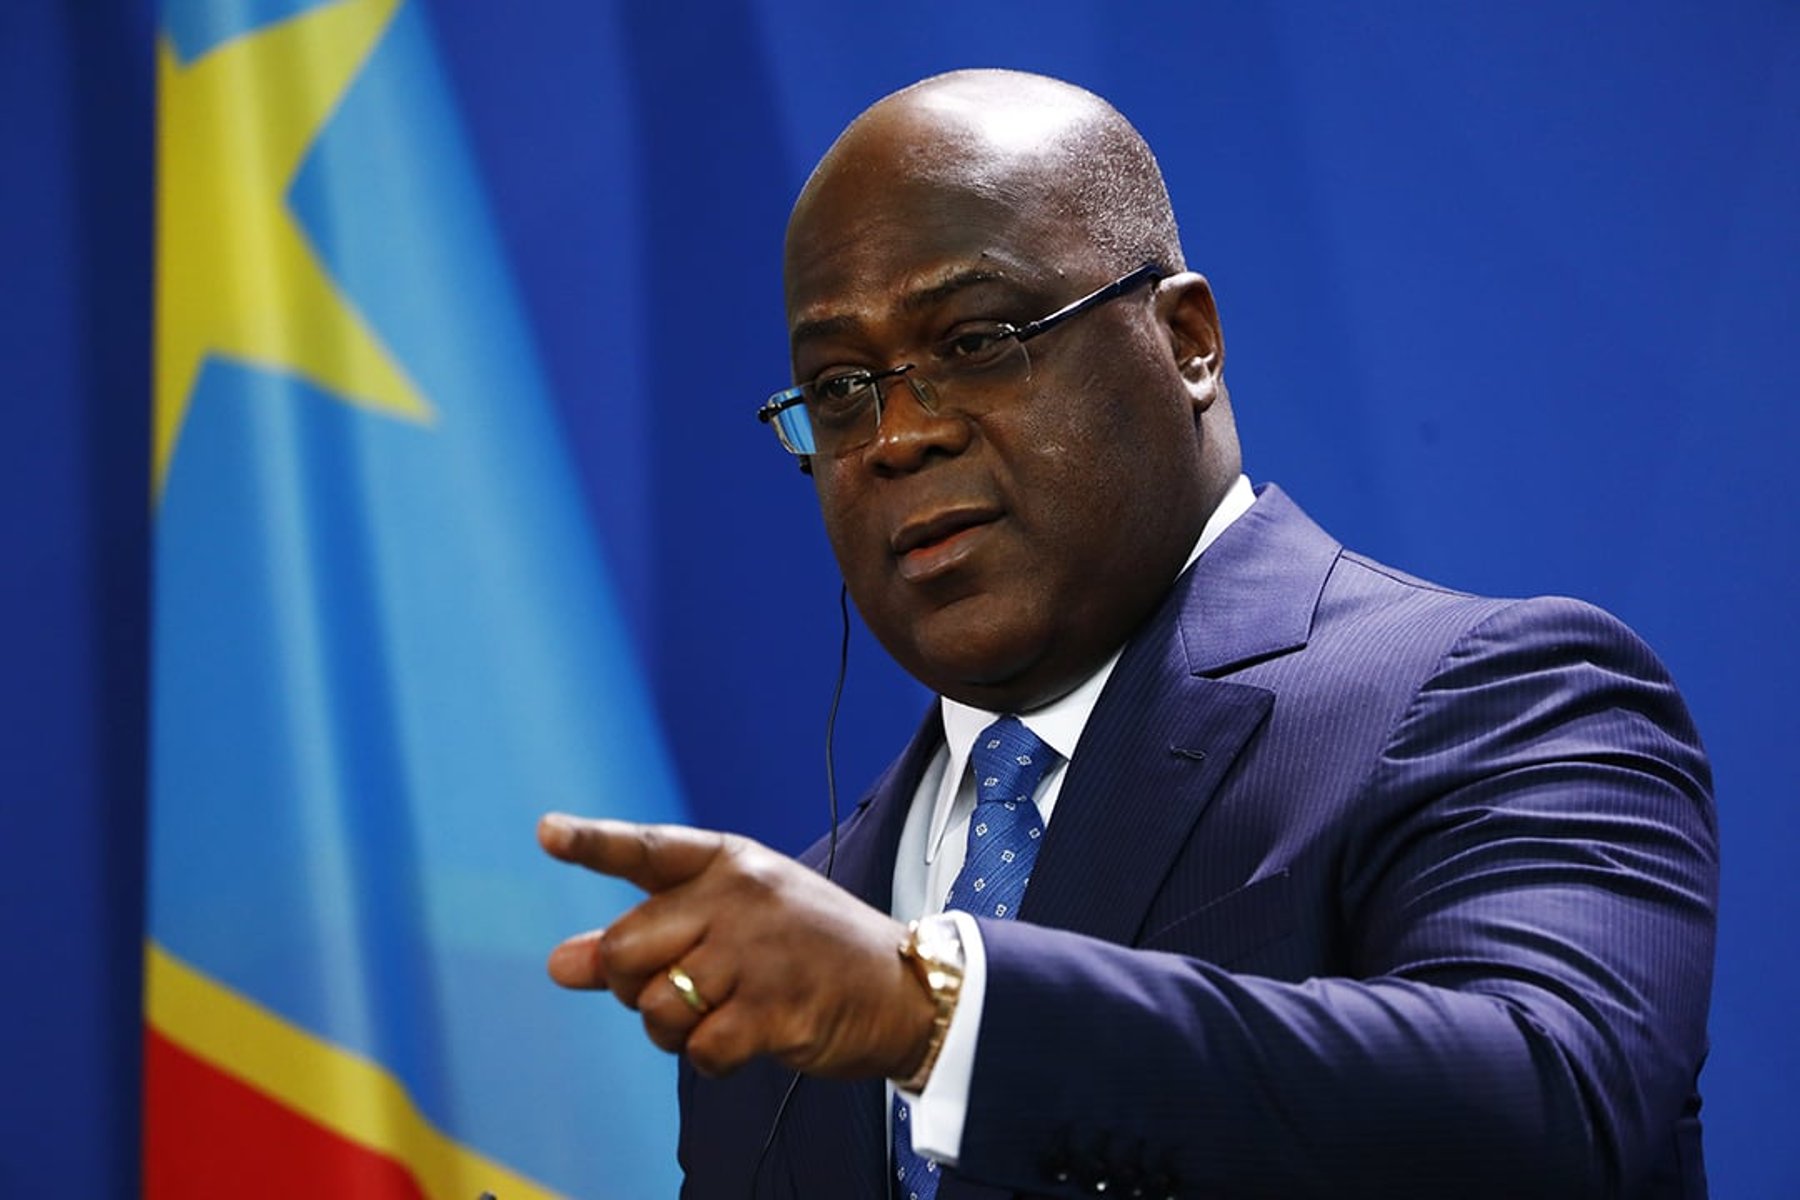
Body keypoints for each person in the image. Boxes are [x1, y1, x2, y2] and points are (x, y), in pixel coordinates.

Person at [537, 70, 1716, 1199]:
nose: (896, 438)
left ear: (1187, 340)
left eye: (976, 341)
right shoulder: (796, 937)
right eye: (841, 389)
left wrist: (937, 1013)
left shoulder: (1496, 698)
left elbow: (1556, 1106)